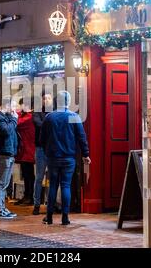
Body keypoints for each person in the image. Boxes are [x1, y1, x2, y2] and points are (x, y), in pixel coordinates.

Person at [40, 91, 91, 225]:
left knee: (52, 186)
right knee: (66, 186)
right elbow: (82, 138)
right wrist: (86, 154)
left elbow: (41, 139)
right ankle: (65, 217)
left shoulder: (49, 117)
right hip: (69, 157)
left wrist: (47, 151)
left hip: (52, 157)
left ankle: (49, 217)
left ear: (57, 102)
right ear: (68, 102)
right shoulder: (74, 116)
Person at [0, 96, 19, 219]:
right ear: (6, 105)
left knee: (4, 182)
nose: (15, 109)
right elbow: (7, 131)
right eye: (13, 106)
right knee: (0, 182)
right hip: (2, 153)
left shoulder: (4, 117)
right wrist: (14, 119)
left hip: (8, 152)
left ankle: (2, 207)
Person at [32, 91, 54, 215]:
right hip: (40, 148)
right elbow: (38, 124)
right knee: (39, 177)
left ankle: (49, 203)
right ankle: (36, 204)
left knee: (51, 178)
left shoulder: (55, 112)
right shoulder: (37, 112)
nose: (46, 100)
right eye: (44, 98)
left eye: (48, 98)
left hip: (52, 149)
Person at [14, 98, 35, 206]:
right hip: (24, 150)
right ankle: (27, 195)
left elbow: (17, 122)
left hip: (29, 150)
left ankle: (30, 197)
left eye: (22, 105)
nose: (20, 107)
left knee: (29, 175)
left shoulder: (29, 117)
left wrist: (13, 112)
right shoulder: (24, 115)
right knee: (26, 174)